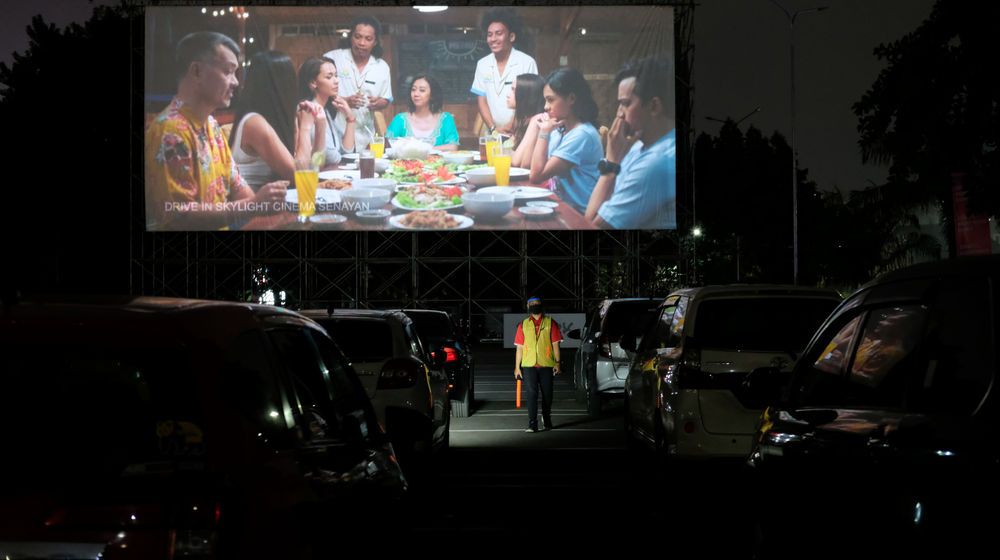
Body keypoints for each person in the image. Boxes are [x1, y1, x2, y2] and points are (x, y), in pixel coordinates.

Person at [145, 31, 287, 231]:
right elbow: (181, 218)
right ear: (197, 71)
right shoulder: (169, 131)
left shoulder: (211, 125)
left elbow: (237, 186)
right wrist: (253, 206)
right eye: (228, 72)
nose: (236, 82)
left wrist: (261, 205)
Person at [585, 57, 677, 229]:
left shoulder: (657, 163)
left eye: (625, 104)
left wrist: (611, 165)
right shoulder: (637, 147)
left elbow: (590, 226)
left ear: (654, 106)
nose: (619, 114)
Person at [228, 50, 326, 191]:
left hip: (278, 200)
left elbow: (316, 167)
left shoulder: (282, 120)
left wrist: (321, 125)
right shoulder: (254, 122)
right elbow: (300, 176)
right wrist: (305, 128)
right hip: (254, 203)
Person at [527, 67, 603, 215]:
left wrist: (544, 132)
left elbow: (536, 176)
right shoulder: (559, 130)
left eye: (550, 100)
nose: (545, 107)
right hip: (560, 206)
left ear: (571, 99)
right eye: (545, 100)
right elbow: (531, 165)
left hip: (579, 214)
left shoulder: (582, 135)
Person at [323, 14, 393, 150]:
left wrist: (378, 103)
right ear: (351, 37)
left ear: (375, 42)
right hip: (334, 132)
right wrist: (345, 102)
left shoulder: (382, 66)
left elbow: (386, 99)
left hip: (365, 137)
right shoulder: (332, 58)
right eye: (357, 36)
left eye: (368, 39)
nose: (361, 43)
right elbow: (316, 94)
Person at [470, 7, 538, 136]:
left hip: (519, 132)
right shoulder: (482, 64)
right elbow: (482, 101)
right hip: (492, 132)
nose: (493, 39)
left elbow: (529, 100)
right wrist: (493, 128)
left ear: (511, 36)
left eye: (498, 33)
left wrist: (510, 126)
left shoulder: (527, 62)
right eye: (489, 34)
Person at [514, 297, 563, 432]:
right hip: (529, 366)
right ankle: (532, 424)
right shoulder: (523, 325)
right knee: (531, 395)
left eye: (537, 303)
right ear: (528, 306)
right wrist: (517, 367)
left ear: (541, 305)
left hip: (546, 365)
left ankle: (546, 419)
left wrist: (557, 363)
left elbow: (555, 345)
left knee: (547, 395)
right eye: (532, 304)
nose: (534, 305)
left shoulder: (550, 323)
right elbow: (519, 348)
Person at [299, 56, 357, 166]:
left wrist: (350, 119)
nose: (336, 81)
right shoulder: (308, 110)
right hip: (312, 174)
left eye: (336, 76)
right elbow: (332, 159)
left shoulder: (325, 109)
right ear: (314, 82)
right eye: (329, 77)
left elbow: (347, 152)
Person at [386, 74, 459, 151]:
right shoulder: (399, 119)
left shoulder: (446, 119)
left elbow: (453, 147)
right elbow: (388, 146)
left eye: (422, 90)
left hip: (437, 159)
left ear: (432, 94)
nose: (416, 94)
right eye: (413, 89)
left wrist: (423, 150)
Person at [505, 73, 546, 168]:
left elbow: (515, 161)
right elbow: (505, 148)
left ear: (526, 96)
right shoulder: (523, 119)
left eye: (513, 90)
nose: (507, 95)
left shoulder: (537, 121)